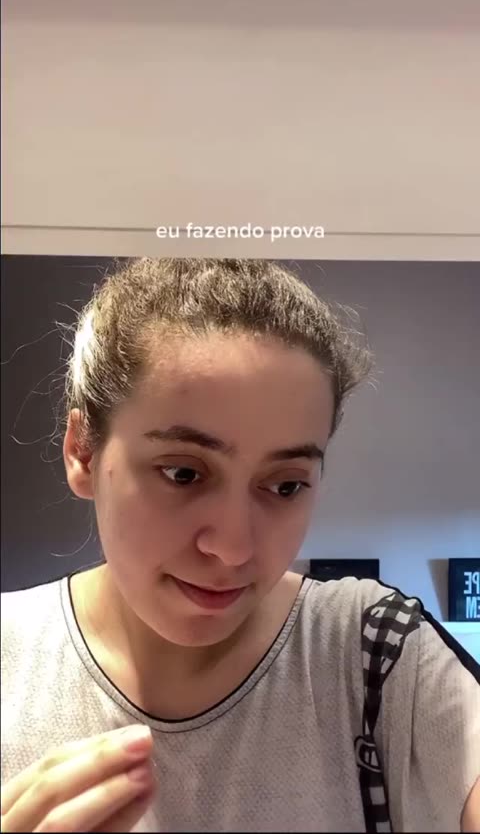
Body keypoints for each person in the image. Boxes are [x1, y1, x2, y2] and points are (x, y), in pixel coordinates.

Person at [1, 257, 479, 834]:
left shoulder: (378, 654)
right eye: (183, 473)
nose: (231, 549)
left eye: (285, 485)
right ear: (83, 451)